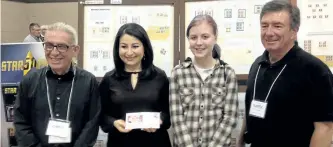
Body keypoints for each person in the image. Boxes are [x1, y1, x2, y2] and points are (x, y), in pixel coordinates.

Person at [237, 1, 333, 147]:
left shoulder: (315, 70)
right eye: (264, 26)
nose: (269, 32)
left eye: (277, 26)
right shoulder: (257, 64)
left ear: (294, 31)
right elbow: (252, 109)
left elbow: (325, 128)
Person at [14, 22, 101, 147]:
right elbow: (21, 121)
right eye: (49, 46)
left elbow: (92, 122)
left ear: (75, 50)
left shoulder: (88, 82)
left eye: (61, 46)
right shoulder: (29, 81)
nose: (54, 53)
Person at [169, 14, 239, 147]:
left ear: (215, 37)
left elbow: (230, 117)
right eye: (193, 37)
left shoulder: (227, 73)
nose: (199, 43)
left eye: (205, 37)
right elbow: (177, 118)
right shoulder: (178, 73)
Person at [99, 23, 171, 147]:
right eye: (124, 46)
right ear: (117, 49)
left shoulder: (159, 76)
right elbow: (100, 113)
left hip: (155, 142)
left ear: (145, 48)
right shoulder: (109, 79)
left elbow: (169, 112)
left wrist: (159, 121)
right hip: (120, 142)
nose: (129, 52)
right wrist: (114, 122)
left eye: (135, 46)